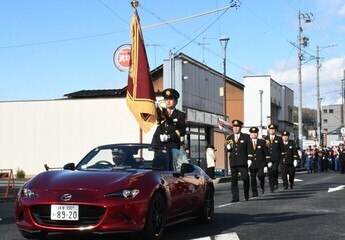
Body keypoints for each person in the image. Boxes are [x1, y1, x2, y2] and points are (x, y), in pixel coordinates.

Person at [226, 119, 251, 202]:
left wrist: (249, 159)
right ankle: (235, 197)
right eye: (234, 127)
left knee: (245, 178)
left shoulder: (246, 137)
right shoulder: (229, 137)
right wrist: (227, 148)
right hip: (233, 162)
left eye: (237, 127)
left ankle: (246, 194)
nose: (236, 128)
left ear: (240, 128)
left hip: (243, 162)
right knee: (234, 181)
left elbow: (249, 149)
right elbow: (227, 149)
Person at [248, 127, 269, 197]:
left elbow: (266, 152)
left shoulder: (262, 142)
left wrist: (268, 162)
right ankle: (254, 192)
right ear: (250, 134)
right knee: (253, 178)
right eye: (252, 133)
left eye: (255, 133)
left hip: (261, 163)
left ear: (257, 134)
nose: (254, 134)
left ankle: (262, 185)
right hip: (252, 163)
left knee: (261, 175)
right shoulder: (248, 142)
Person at [264, 123, 284, 193]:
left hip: (276, 158)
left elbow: (282, 149)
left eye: (273, 129)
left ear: (275, 130)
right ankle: (271, 186)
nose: (271, 131)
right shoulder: (265, 138)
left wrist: (282, 157)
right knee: (270, 173)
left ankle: (275, 181)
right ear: (268, 130)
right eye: (270, 129)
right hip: (268, 158)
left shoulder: (278, 138)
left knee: (274, 170)